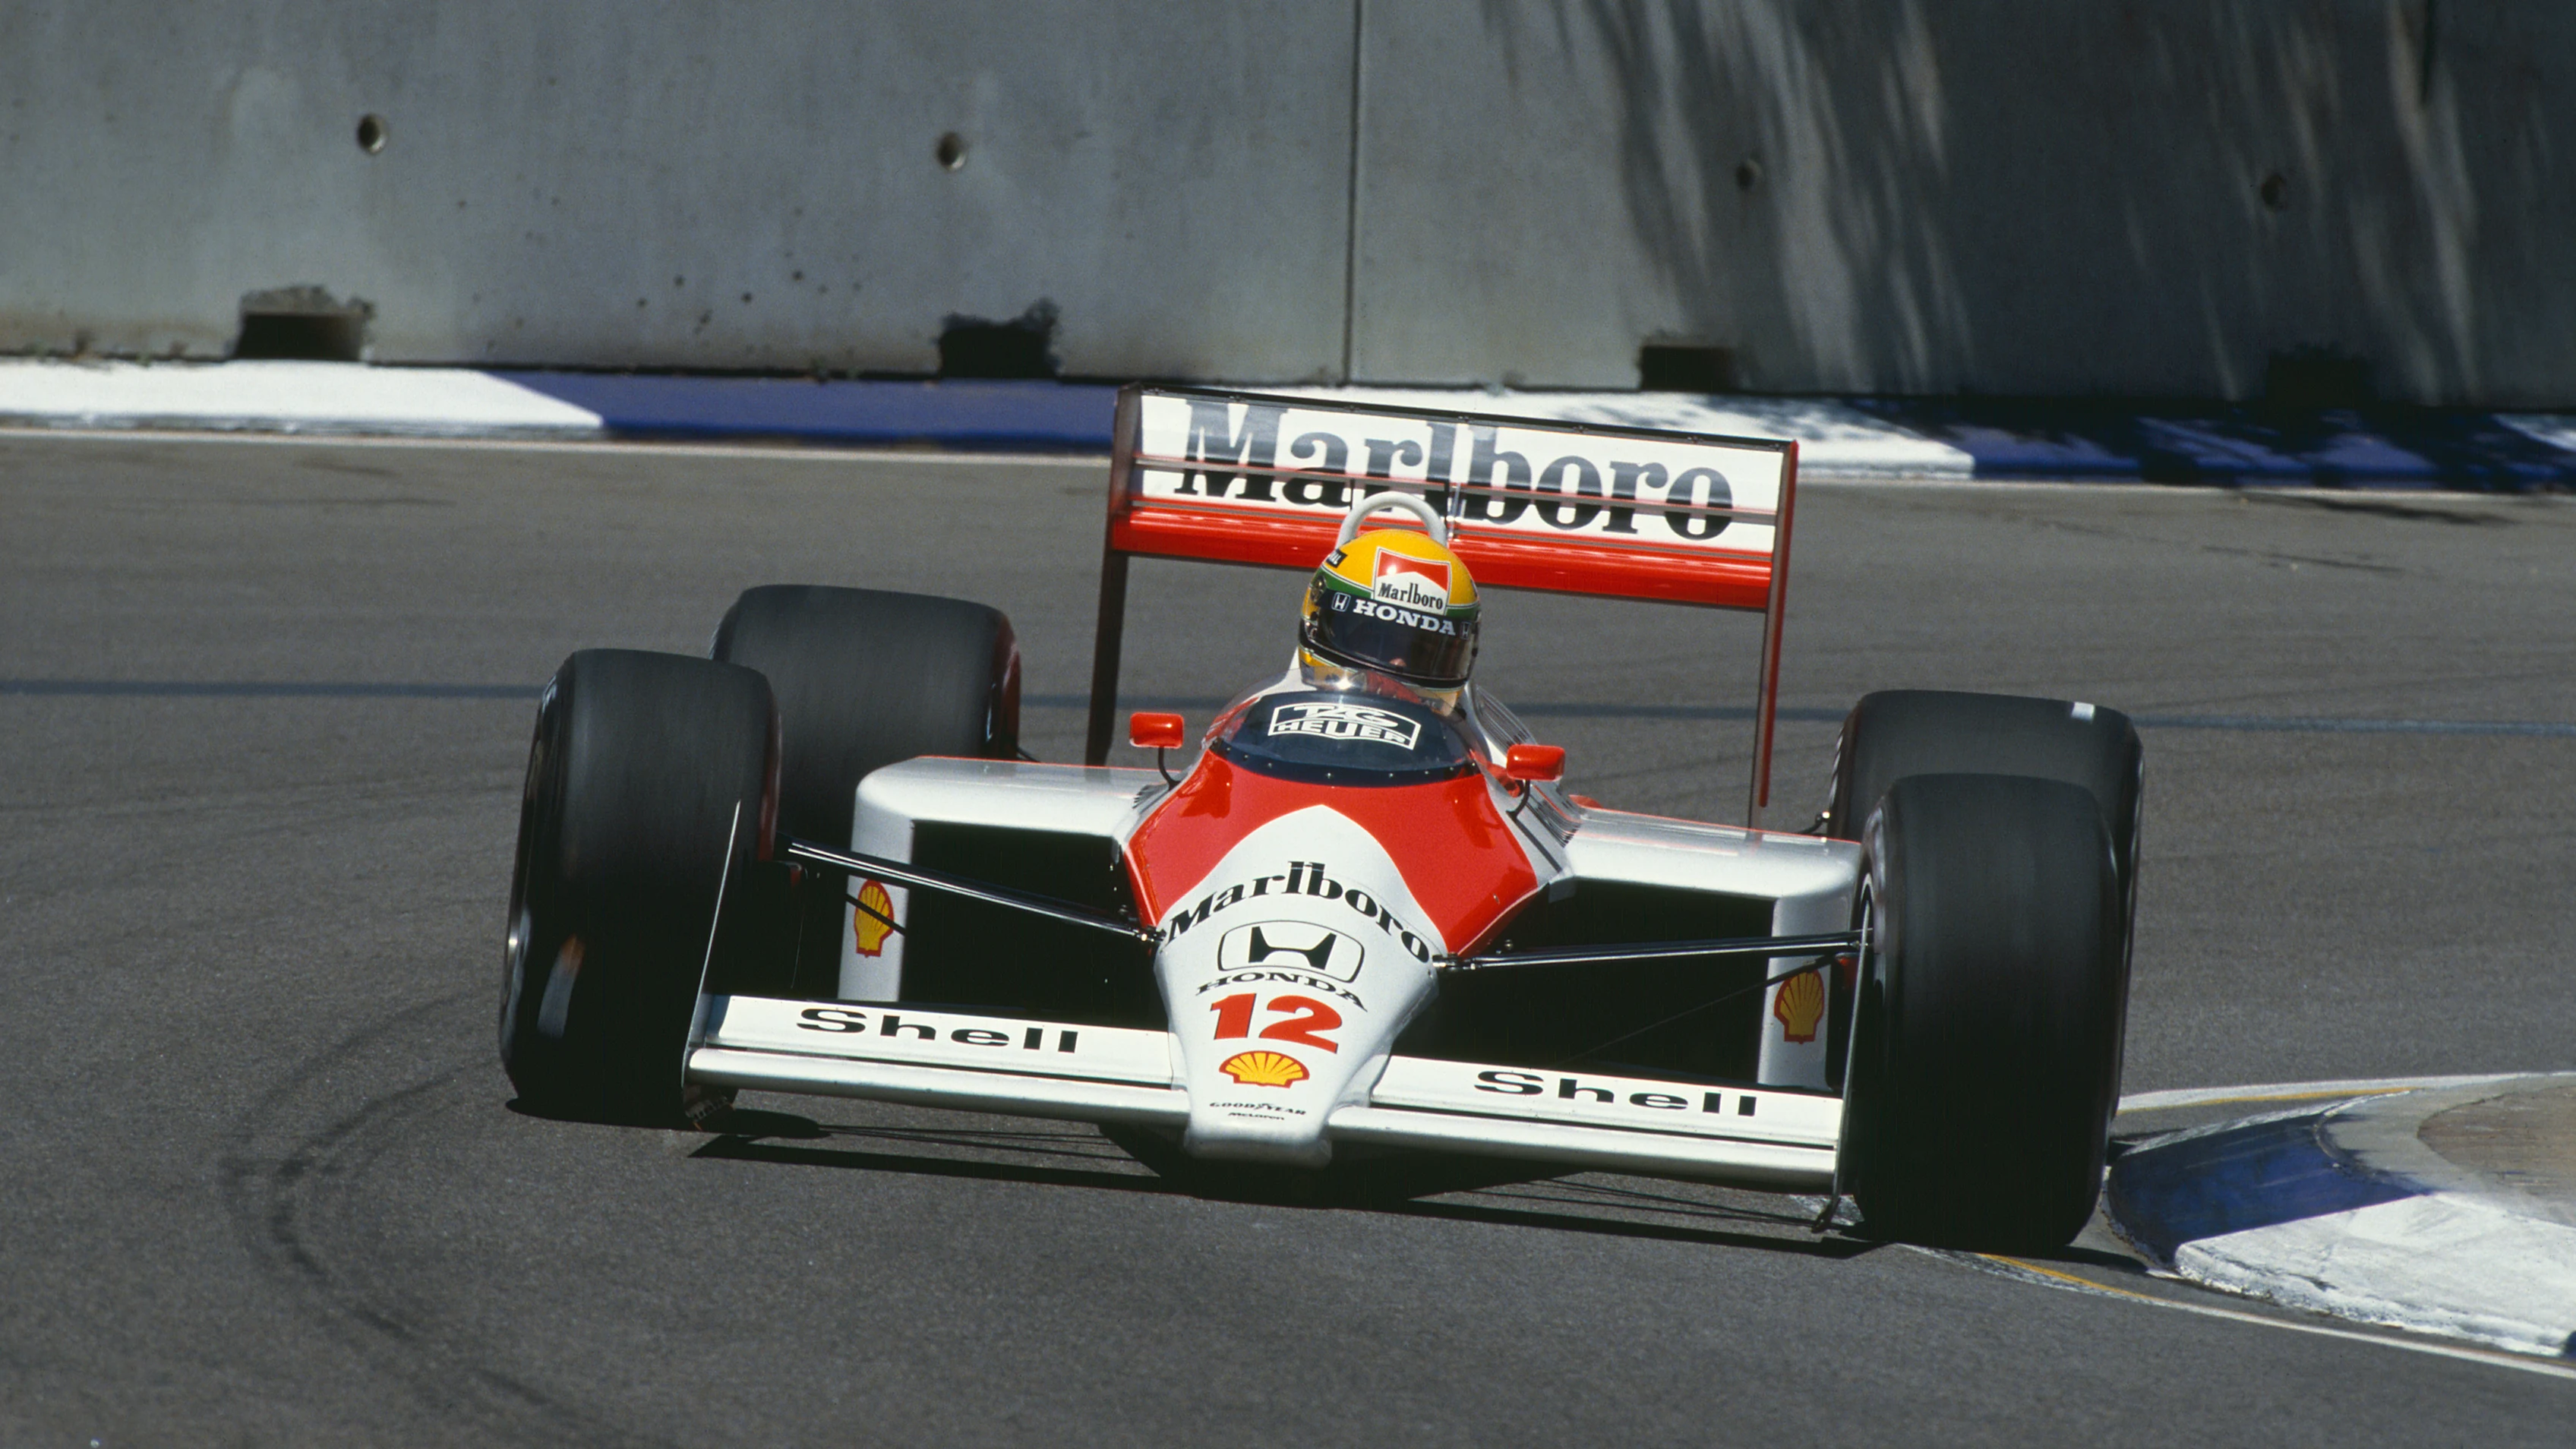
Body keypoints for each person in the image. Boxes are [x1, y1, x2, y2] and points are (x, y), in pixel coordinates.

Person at [1295, 516, 1481, 717]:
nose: (1398, 664)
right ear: (1317, 626)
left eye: (1421, 653)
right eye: (1374, 641)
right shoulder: (1263, 717)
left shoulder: (1466, 746)